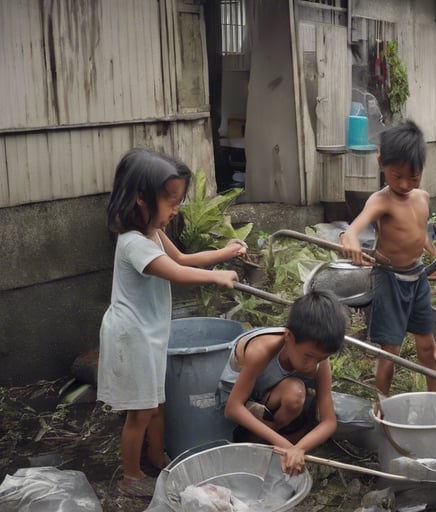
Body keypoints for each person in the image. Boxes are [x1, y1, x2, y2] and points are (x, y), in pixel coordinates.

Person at [97, 148, 245, 498]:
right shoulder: (133, 243)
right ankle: (131, 477)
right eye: (171, 201)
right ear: (141, 198)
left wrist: (225, 253)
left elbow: (181, 258)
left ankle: (157, 460)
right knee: (141, 411)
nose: (176, 209)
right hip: (131, 337)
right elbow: (177, 273)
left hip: (147, 334)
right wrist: (216, 277)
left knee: (155, 404)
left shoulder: (152, 232)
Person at [339, 120, 436, 395]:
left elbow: (420, 234)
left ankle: (433, 399)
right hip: (389, 279)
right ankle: (383, 404)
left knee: (427, 345)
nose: (404, 184)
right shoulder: (381, 200)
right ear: (381, 162)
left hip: (417, 277)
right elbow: (354, 229)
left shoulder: (422, 197)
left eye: (413, 177)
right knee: (391, 351)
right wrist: (349, 239)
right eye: (396, 175)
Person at [218, 290, 347, 476]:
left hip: (271, 400)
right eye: (308, 356)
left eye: (320, 359)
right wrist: (286, 446)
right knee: (295, 393)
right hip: (240, 402)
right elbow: (232, 408)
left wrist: (299, 448)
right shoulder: (260, 351)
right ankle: (254, 444)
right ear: (288, 337)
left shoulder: (317, 357)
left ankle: (272, 447)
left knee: (298, 398)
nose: (313, 366)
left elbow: (329, 421)